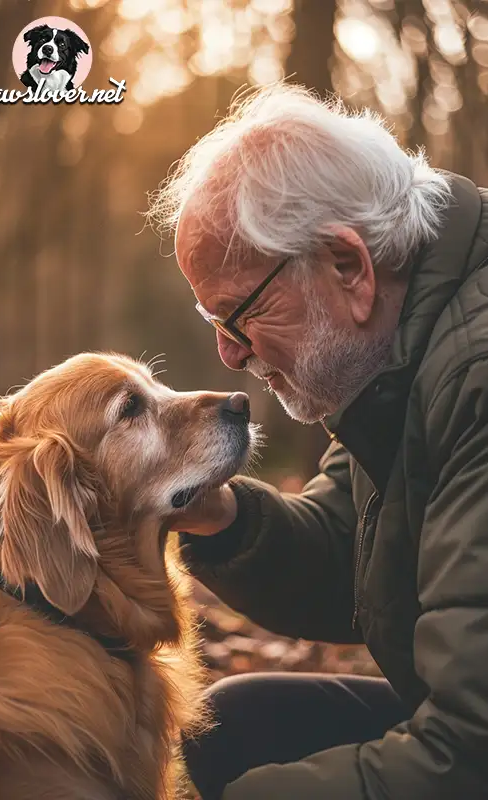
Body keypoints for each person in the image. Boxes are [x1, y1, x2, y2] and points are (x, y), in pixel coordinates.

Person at [149, 83, 488, 799]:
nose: (230, 355)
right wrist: (218, 516)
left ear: (347, 266)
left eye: (239, 313)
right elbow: (356, 560)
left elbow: (469, 752)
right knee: (227, 727)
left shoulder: (473, 374)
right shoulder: (398, 348)